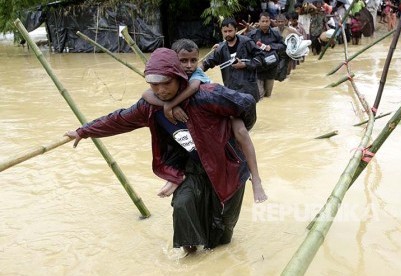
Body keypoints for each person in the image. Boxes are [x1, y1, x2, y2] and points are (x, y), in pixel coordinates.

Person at [66, 48, 258, 254]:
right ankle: (190, 261)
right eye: (154, 85)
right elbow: (119, 120)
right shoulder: (150, 107)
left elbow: (246, 103)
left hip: (227, 167)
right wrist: (83, 131)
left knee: (221, 236)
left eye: (166, 83)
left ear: (178, 78)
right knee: (183, 207)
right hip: (192, 167)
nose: (161, 90)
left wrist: (234, 131)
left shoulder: (207, 96)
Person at [146, 38, 266, 204]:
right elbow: (146, 94)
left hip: (224, 109)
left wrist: (170, 106)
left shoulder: (196, 74)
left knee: (241, 132)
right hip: (199, 118)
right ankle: (175, 177)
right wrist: (169, 105)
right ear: (174, 61)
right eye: (183, 61)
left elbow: (194, 88)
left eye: (193, 60)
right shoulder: (169, 77)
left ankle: (257, 179)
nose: (189, 65)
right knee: (181, 140)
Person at [201, 18, 262, 102]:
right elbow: (207, 63)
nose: (227, 34)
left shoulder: (247, 42)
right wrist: (194, 72)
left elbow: (260, 58)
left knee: (248, 113)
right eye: (225, 31)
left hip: (248, 90)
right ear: (221, 32)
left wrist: (245, 65)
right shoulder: (220, 49)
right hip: (231, 91)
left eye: (230, 31)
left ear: (236, 30)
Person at [247, 12, 286, 99]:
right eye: (263, 21)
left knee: (268, 95)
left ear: (270, 22)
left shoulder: (276, 34)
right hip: (258, 68)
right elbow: (243, 46)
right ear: (259, 22)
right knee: (260, 95)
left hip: (271, 68)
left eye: (266, 21)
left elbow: (283, 46)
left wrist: (272, 46)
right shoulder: (252, 34)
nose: (265, 23)